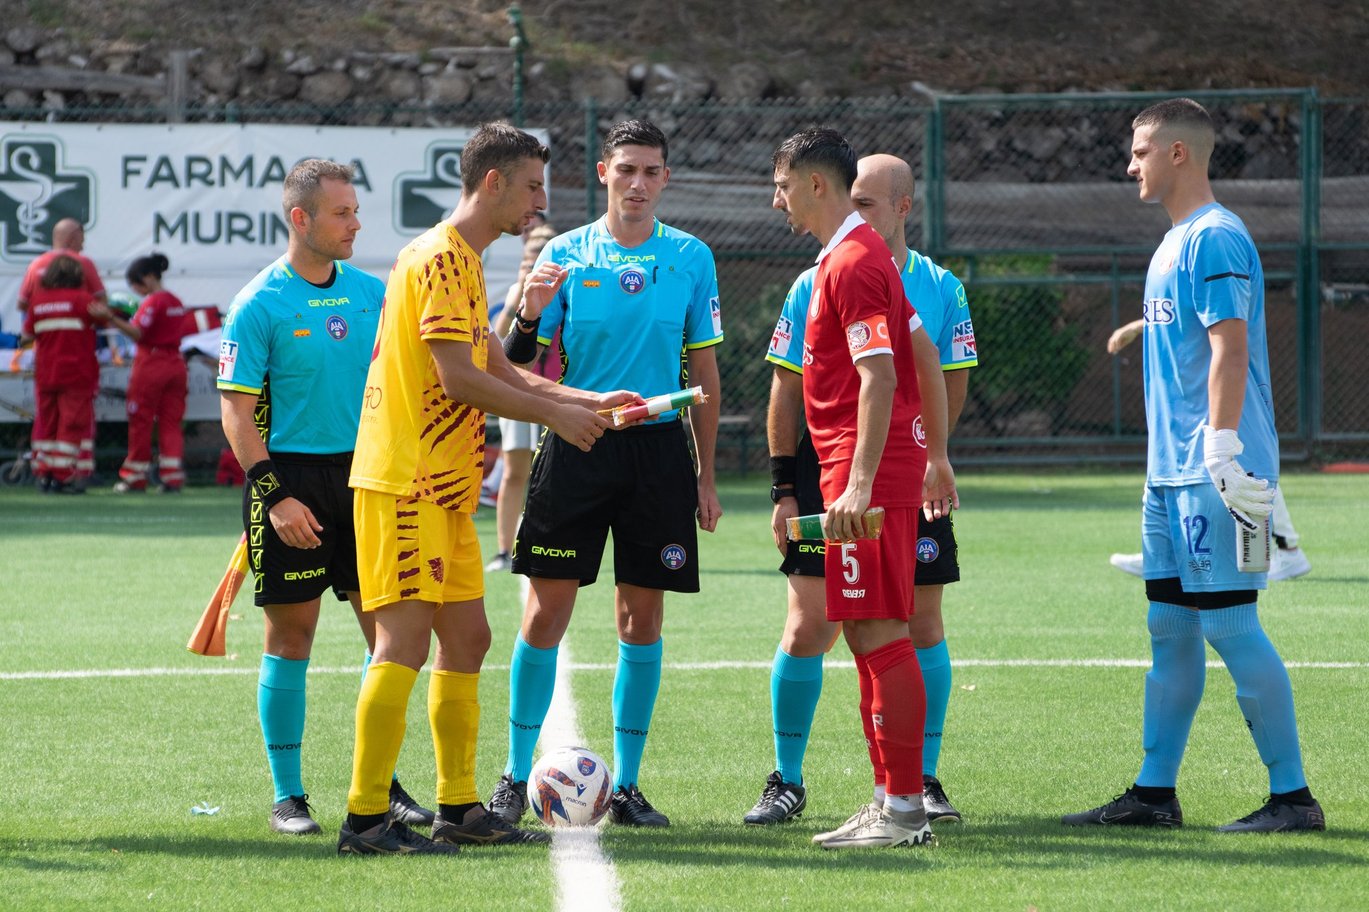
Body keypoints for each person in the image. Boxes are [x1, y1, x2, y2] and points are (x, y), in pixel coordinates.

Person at [339, 122, 632, 856]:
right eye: (532, 185)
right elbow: (457, 378)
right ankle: (365, 819)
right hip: (403, 482)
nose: (540, 200)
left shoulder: (462, 260)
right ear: (493, 182)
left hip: (443, 485)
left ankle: (458, 806)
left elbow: (496, 365)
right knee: (402, 644)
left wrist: (586, 400)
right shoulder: (439, 257)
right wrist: (555, 416)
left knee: (468, 637)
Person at [1063, 98, 1324, 832]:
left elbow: (1229, 348)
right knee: (1169, 628)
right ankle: (1154, 794)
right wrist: (1140, 326)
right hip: (1167, 474)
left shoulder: (1214, 237)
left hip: (1214, 471)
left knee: (1230, 625)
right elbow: (1191, 326)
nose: (1129, 164)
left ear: (1178, 154)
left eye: (1140, 150)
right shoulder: (1176, 242)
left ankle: (1292, 799)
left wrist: (1219, 448)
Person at [488, 119, 724, 830]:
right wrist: (528, 310)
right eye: (626, 170)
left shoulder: (690, 257)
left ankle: (628, 786)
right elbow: (516, 360)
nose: (638, 184)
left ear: (665, 179)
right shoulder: (564, 253)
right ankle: (510, 775)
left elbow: (704, 371)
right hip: (579, 441)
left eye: (651, 171)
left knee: (640, 619)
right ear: (602, 173)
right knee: (544, 612)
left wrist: (706, 476)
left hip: (657, 455)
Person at [747, 153, 977, 827]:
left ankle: (903, 803)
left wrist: (858, 484)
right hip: (863, 473)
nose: (775, 202)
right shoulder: (856, 259)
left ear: (814, 184)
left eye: (781, 187)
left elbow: (879, 376)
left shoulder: (850, 263)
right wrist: (930, 452)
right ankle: (889, 797)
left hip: (862, 479)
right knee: (864, 632)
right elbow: (923, 356)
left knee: (881, 632)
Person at [218, 159, 433, 837]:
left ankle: (381, 785)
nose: (355, 223)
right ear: (300, 219)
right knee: (291, 636)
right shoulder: (259, 303)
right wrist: (274, 498)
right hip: (289, 483)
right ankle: (289, 796)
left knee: (387, 635)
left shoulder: (373, 293)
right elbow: (235, 410)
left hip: (367, 481)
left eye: (355, 210)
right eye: (341, 213)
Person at [1106, 318, 1311, 582]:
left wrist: (1137, 326)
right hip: (1198, 378)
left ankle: (1288, 549)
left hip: (1224, 379)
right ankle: (1165, 551)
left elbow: (1205, 311)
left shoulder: (1222, 278)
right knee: (1200, 465)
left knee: (1245, 464)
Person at [485, 217, 559, 572]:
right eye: (528, 260)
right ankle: (503, 549)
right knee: (515, 471)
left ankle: (549, 542)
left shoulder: (564, 289)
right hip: (517, 391)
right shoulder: (519, 291)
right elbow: (497, 341)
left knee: (554, 470)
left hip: (555, 391)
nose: (531, 266)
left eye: (538, 259)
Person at [18, 217, 107, 487]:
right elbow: (102, 313)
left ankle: (43, 470)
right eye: (81, 237)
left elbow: (24, 320)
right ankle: (63, 475)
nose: (83, 243)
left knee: (46, 421)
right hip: (76, 370)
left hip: (46, 369)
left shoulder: (35, 272)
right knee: (72, 423)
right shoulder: (83, 284)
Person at [99, 254, 189, 493]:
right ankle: (172, 477)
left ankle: (134, 477)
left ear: (148, 278)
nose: (137, 292)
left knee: (141, 420)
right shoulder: (176, 301)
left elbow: (137, 332)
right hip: (176, 364)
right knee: (171, 421)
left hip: (152, 364)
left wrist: (110, 317)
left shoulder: (153, 302)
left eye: (137, 285)